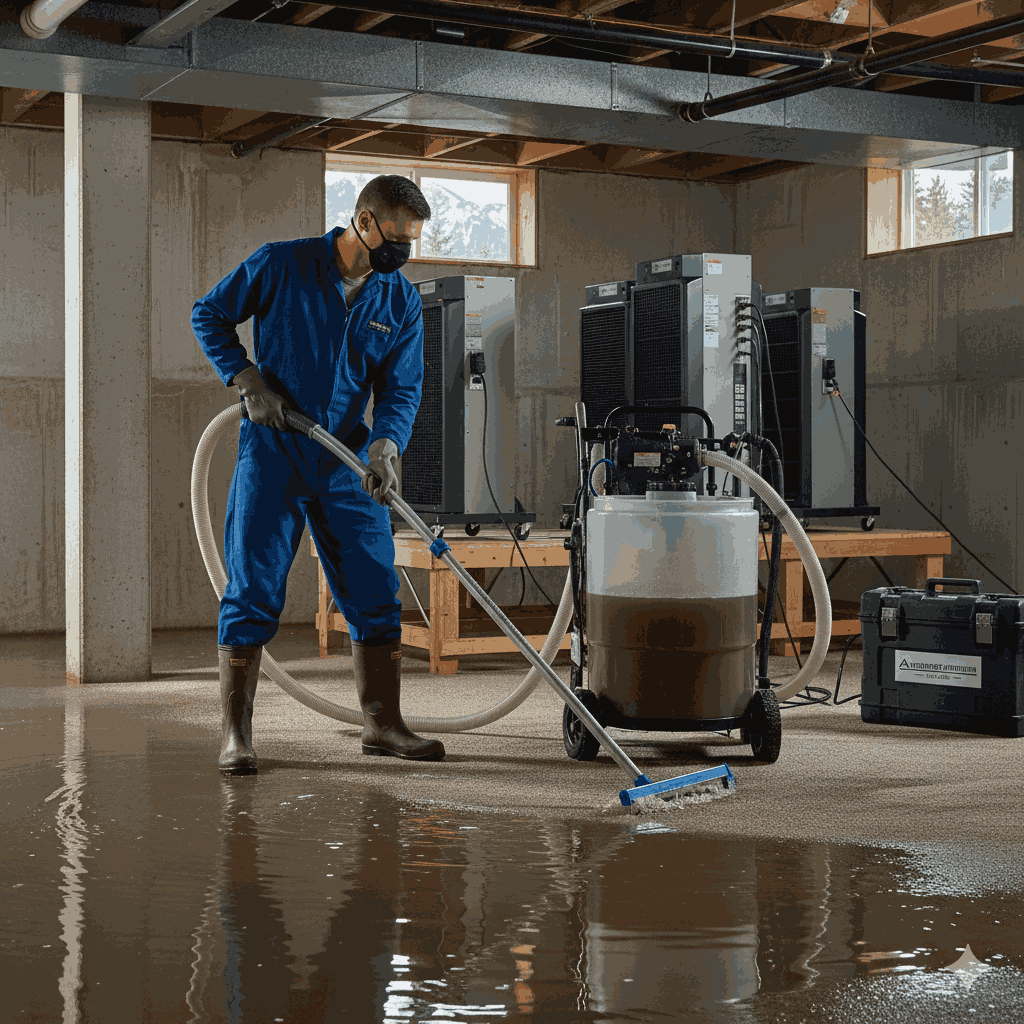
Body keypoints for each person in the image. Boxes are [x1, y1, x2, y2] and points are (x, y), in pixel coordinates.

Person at [191, 174, 444, 774]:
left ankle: (383, 724)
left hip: (346, 460)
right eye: (396, 238)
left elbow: (402, 388)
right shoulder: (282, 263)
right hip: (274, 452)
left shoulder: (399, 300)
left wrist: (386, 445)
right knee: (252, 590)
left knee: (375, 590)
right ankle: (236, 735)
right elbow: (210, 314)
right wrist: (247, 380)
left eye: (412, 242)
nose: (403, 252)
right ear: (363, 221)